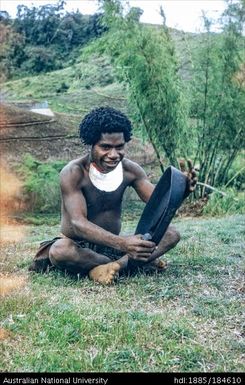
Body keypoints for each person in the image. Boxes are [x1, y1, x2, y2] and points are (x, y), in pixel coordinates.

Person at [30, 106, 197, 284]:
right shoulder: (73, 173)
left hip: (114, 247)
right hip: (80, 247)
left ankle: (107, 268)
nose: (113, 155)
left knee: (171, 234)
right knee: (60, 251)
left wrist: (181, 190)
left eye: (120, 147)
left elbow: (159, 205)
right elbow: (78, 224)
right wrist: (124, 244)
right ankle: (131, 265)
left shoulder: (131, 170)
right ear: (91, 144)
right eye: (105, 147)